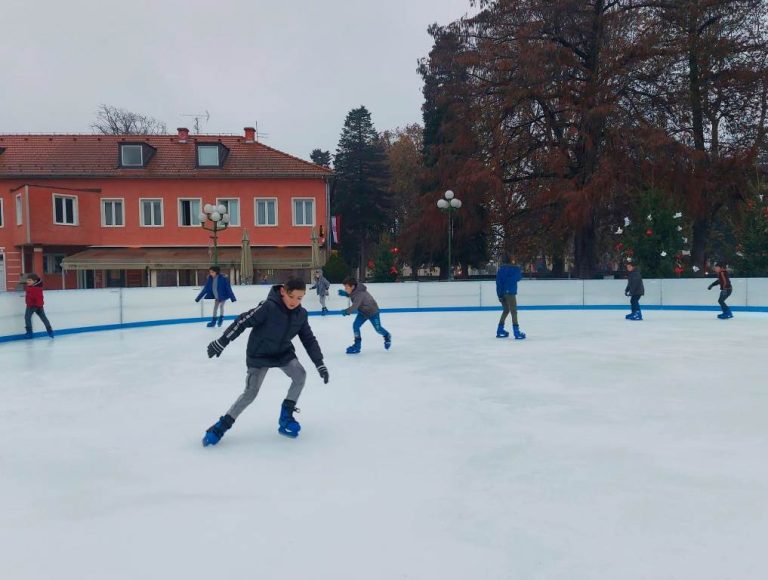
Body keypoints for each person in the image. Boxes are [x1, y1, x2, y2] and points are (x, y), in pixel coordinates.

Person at [201, 278, 329, 445]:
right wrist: (222, 342)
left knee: (300, 376)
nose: (295, 302)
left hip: (283, 353)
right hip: (259, 355)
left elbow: (309, 340)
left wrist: (319, 363)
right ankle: (221, 426)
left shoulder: (301, 314)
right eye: (292, 297)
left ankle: (286, 416)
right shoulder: (268, 307)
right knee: (250, 393)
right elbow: (242, 321)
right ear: (283, 291)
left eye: (300, 298)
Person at [337, 277, 391, 354]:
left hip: (373, 312)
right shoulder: (355, 289)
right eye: (344, 287)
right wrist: (346, 294)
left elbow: (354, 307)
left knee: (378, 329)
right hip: (363, 312)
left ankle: (387, 335)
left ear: (352, 286)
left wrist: (346, 311)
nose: (345, 289)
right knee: (355, 326)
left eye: (346, 287)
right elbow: (353, 294)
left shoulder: (360, 294)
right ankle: (357, 346)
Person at [495, 255, 526, 339]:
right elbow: (519, 277)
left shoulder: (500, 270)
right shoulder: (515, 268)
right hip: (510, 292)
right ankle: (516, 332)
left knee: (506, 310)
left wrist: (499, 295)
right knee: (513, 311)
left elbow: (498, 283)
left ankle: (500, 330)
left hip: (502, 292)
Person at [23, 273, 54, 339]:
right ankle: (50, 331)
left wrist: (32, 304)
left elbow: (34, 297)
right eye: (27, 280)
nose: (27, 281)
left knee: (27, 317)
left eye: (29, 280)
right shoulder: (38, 287)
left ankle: (29, 332)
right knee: (43, 318)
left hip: (32, 306)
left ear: (35, 281)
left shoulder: (33, 288)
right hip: (39, 306)